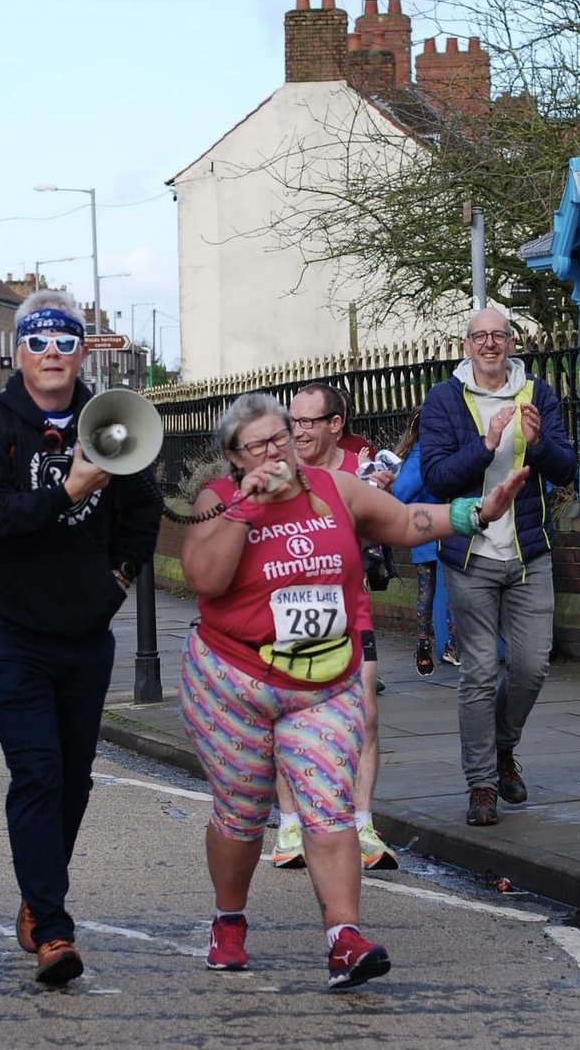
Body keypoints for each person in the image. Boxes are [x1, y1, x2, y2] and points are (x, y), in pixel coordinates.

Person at [180, 390, 527, 988]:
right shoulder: (219, 500)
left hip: (322, 683)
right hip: (233, 680)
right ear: (234, 457)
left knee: (328, 806)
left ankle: (344, 936)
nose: (275, 452)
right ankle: (228, 921)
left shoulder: (333, 489)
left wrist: (477, 513)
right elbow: (204, 578)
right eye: (258, 445)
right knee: (240, 814)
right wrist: (243, 509)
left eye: (281, 437)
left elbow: (403, 522)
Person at [0, 290, 162, 985]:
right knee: (38, 772)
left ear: (82, 352)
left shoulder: (110, 424)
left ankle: (35, 894)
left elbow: (142, 509)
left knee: (74, 781)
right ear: (19, 353)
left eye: (64, 341)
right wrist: (66, 492)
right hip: (6, 631)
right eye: (38, 341)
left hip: (83, 630)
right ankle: (52, 927)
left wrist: (121, 576)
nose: (51, 353)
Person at [420, 307, 577, 827]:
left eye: (499, 336)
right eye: (479, 336)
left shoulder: (538, 393)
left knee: (533, 666)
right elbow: (439, 478)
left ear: (512, 343)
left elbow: (565, 467)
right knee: (480, 674)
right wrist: (486, 444)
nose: (490, 344)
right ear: (466, 345)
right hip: (470, 556)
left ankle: (503, 747)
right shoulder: (445, 399)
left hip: (528, 552)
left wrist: (539, 442)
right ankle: (482, 784)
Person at [272, 383, 398, 873]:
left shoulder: (357, 473)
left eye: (307, 422)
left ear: (333, 424)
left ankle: (363, 825)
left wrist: (379, 501)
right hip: (287, 611)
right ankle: (288, 828)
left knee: (365, 715)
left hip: (350, 609)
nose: (298, 430)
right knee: (289, 722)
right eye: (293, 421)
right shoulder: (278, 471)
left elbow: (388, 529)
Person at [393, 407, 459, 675]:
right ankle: (447, 644)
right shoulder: (429, 454)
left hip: (430, 530)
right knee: (443, 589)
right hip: (439, 528)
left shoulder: (418, 454)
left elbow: (401, 492)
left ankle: (427, 643)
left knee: (429, 590)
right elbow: (402, 491)